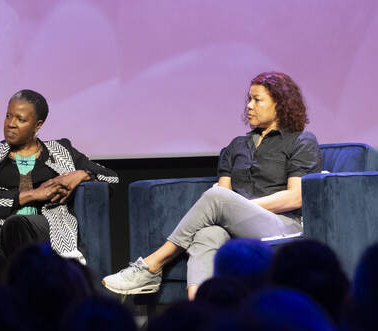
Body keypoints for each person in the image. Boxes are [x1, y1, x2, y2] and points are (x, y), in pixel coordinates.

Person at [103, 72, 322, 300]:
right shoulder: (236, 146)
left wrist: (239, 206)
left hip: (283, 226)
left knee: (217, 198)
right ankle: (198, 310)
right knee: (208, 233)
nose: (249, 106)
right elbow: (224, 193)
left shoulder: (301, 141)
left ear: (280, 104)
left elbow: (296, 197)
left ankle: (153, 265)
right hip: (239, 223)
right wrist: (231, 207)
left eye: (257, 100)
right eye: (249, 99)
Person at [0, 89, 119, 283]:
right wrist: (34, 194)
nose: (11, 124)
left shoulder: (61, 150)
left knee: (18, 224)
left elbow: (111, 178)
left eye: (20, 119)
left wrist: (80, 174)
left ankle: (28, 304)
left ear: (38, 125)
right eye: (8, 116)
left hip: (45, 223)